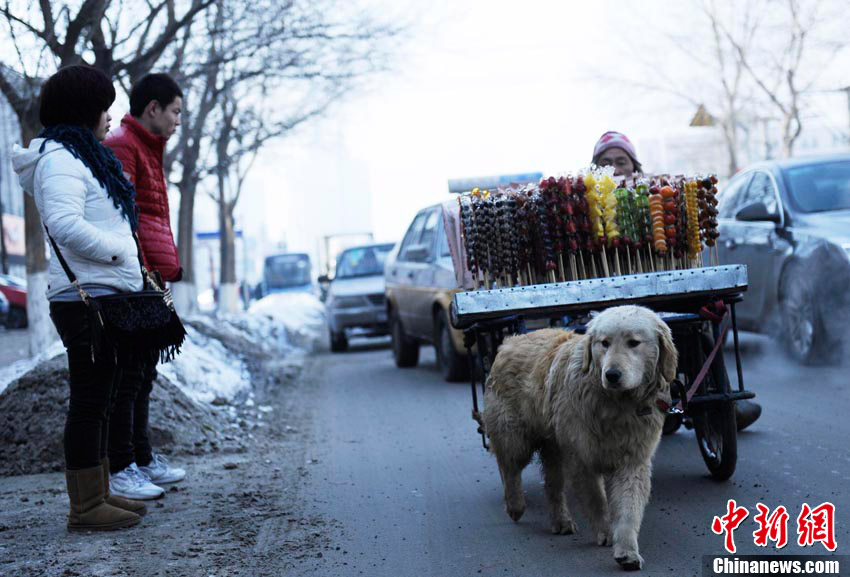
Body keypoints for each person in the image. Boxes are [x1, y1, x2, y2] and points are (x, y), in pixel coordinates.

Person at [12, 65, 147, 530]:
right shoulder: (60, 161)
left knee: (102, 398)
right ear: (83, 110)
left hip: (102, 292)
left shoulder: (80, 156)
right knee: (90, 401)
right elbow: (66, 225)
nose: (109, 116)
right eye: (103, 108)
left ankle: (99, 492)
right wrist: (121, 251)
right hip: (84, 298)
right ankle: (86, 507)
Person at [591, 131, 762, 432]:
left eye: (621, 161)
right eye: (606, 162)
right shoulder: (586, 204)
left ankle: (718, 404)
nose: (615, 168)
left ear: (634, 166)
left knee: (696, 328)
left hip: (660, 289)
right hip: (607, 296)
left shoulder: (656, 194)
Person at [103, 73, 186, 499]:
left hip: (149, 277)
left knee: (144, 372)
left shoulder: (147, 148)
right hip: (135, 278)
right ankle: (124, 466)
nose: (178, 121)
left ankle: (142, 457)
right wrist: (142, 272)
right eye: (175, 111)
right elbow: (125, 218)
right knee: (130, 375)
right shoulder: (123, 145)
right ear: (152, 108)